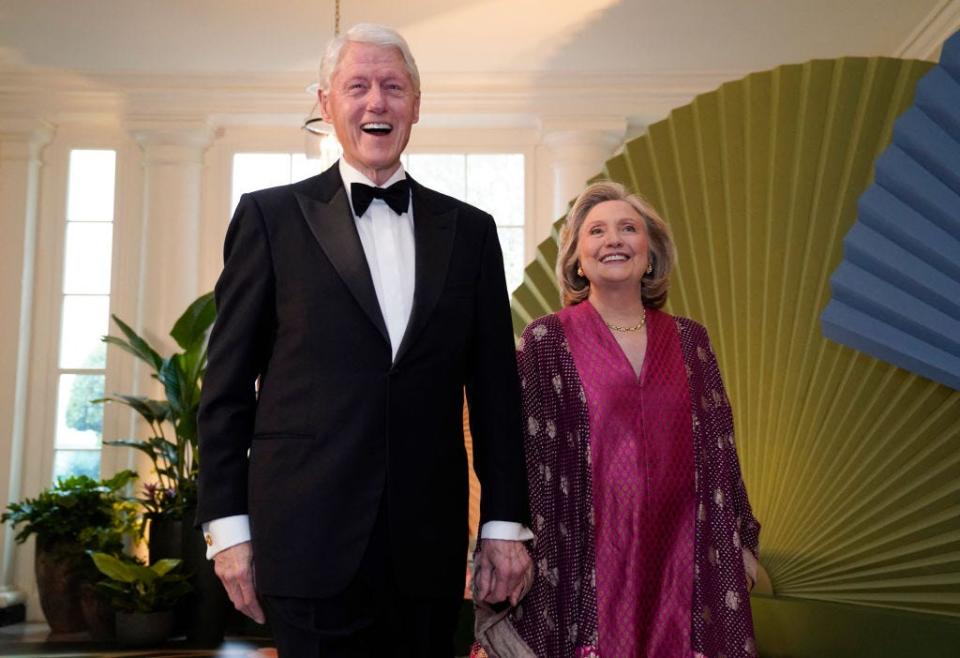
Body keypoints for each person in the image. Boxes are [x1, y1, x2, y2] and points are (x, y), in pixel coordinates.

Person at [196, 23, 533, 658]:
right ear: (326, 104)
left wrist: (505, 526)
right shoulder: (268, 218)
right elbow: (226, 391)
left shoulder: (472, 232)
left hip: (429, 554)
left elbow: (495, 394)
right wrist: (228, 531)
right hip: (303, 538)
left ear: (415, 106)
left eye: (393, 87)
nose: (376, 102)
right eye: (357, 86)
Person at [475, 181, 760, 658]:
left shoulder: (692, 341)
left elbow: (720, 449)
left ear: (650, 254)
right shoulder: (547, 340)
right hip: (585, 556)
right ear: (577, 260)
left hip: (682, 556)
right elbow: (525, 454)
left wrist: (742, 541)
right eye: (597, 231)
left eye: (628, 228)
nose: (614, 240)